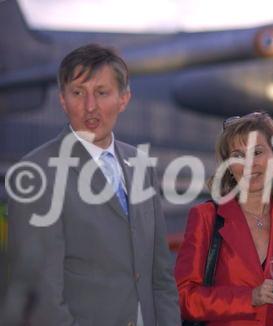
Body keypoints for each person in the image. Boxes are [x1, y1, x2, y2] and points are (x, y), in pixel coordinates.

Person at [4, 44, 180, 326]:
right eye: (77, 93)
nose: (90, 107)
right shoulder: (35, 173)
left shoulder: (141, 165)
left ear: (124, 99)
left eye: (102, 92)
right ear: (62, 99)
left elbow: (161, 277)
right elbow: (41, 296)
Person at [175, 112, 273, 325]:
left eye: (257, 152)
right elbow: (184, 298)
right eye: (237, 155)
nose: (249, 164)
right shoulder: (206, 217)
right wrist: (250, 297)